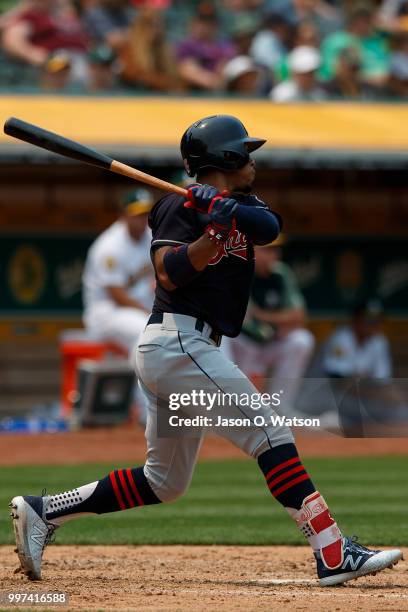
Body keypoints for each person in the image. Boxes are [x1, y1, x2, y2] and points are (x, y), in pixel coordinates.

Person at [10, 115, 402, 586]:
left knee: (164, 482)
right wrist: (210, 234)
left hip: (185, 349)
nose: (252, 159)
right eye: (245, 151)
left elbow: (267, 225)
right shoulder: (176, 208)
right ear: (226, 158)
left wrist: (221, 205)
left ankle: (43, 511)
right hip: (178, 344)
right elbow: (169, 273)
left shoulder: (240, 202)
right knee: (271, 433)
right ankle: (333, 551)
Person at [229, 238, 315, 413]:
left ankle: (280, 407)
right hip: (242, 344)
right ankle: (228, 409)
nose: (274, 255)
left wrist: (264, 316)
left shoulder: (280, 273)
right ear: (252, 251)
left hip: (268, 341)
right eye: (267, 250)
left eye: (276, 250)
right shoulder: (240, 271)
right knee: (226, 339)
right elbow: (245, 320)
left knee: (301, 340)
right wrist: (278, 321)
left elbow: (299, 316)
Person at [82, 187, 155, 353]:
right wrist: (152, 313)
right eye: (137, 215)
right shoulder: (109, 246)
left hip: (140, 310)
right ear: (124, 216)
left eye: (145, 214)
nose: (142, 220)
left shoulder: (151, 237)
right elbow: (118, 296)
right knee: (147, 332)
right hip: (108, 314)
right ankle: (139, 379)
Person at [1, 0, 89, 84]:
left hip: (85, 59)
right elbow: (12, 40)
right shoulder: (31, 17)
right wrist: (37, 56)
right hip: (59, 61)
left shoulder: (66, 16)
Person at [176, 11, 236, 92]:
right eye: (200, 23)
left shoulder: (224, 44)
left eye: (208, 23)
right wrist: (212, 81)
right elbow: (186, 69)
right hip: (195, 88)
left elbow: (227, 63)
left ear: (215, 26)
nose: (203, 27)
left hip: (223, 83)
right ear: (192, 24)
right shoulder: (186, 45)